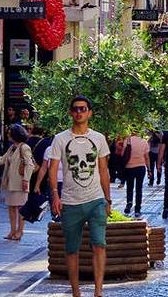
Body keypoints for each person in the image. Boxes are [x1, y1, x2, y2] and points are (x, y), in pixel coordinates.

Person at [47, 96, 112, 297]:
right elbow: (52, 169)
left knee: (99, 245)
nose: (79, 112)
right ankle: (76, 292)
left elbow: (103, 170)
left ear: (89, 113)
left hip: (96, 200)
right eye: (75, 109)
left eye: (83, 109)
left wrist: (108, 199)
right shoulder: (60, 139)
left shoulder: (99, 138)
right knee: (71, 249)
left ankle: (98, 291)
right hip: (70, 202)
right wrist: (55, 195)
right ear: (70, 112)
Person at [0, 124, 34, 240]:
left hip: (20, 182)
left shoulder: (24, 147)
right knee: (11, 207)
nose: (8, 135)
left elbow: (29, 165)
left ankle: (20, 231)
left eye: (9, 133)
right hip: (10, 183)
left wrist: (26, 179)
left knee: (21, 208)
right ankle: (13, 230)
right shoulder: (12, 148)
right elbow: (2, 160)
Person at [122, 131, 149, 217]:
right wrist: (149, 169)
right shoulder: (144, 141)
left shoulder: (127, 140)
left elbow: (123, 154)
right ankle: (137, 209)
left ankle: (129, 203)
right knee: (139, 189)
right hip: (140, 167)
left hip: (129, 167)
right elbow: (146, 157)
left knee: (129, 187)